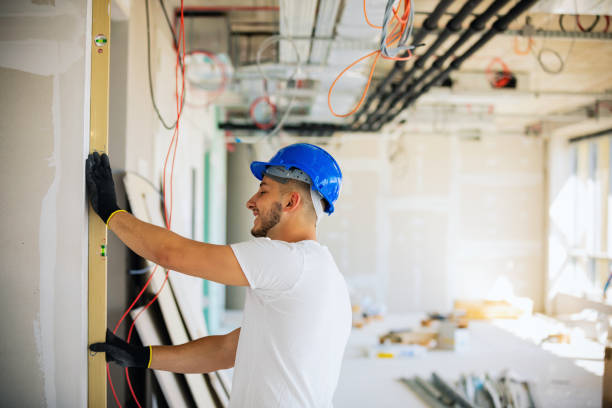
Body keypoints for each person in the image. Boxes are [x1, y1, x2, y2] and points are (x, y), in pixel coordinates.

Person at [87, 143, 351, 407]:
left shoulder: (289, 260)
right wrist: (142, 357)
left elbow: (171, 254)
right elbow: (226, 350)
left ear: (291, 201)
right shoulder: (326, 276)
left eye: (263, 190)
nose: (251, 202)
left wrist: (111, 212)